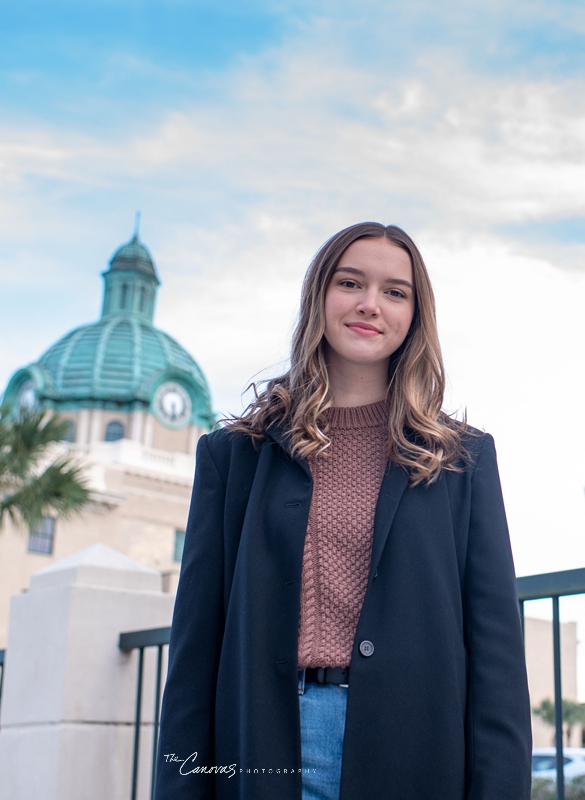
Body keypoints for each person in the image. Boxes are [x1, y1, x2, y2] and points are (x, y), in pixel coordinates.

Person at [154, 222, 532, 800]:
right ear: (318, 299)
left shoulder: (462, 460)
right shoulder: (234, 458)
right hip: (261, 748)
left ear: (415, 314)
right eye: (350, 282)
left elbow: (497, 662)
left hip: (416, 750)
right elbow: (194, 655)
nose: (369, 305)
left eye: (395, 291)